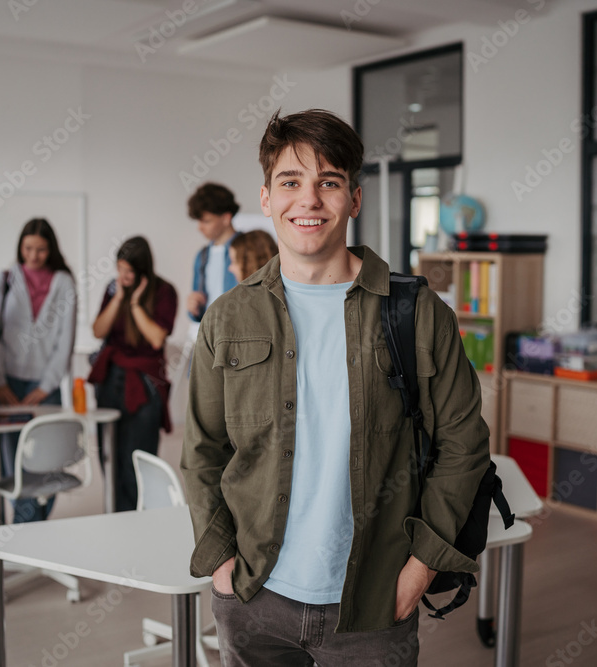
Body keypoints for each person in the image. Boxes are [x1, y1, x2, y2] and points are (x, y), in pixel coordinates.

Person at [181, 109, 490, 666]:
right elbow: (203, 450)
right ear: (267, 198)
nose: (309, 199)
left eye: (328, 182)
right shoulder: (227, 318)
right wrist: (223, 564)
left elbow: (463, 446)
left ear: (354, 198)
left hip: (374, 602)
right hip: (253, 597)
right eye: (290, 182)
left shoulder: (419, 314)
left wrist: (419, 572)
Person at [0, 218, 77, 523]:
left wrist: (46, 386)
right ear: (20, 247)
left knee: (49, 463)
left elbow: (65, 340)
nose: (33, 256)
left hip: (46, 389)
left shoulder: (64, 283)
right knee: (15, 467)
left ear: (52, 250)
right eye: (28, 248)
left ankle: (31, 526)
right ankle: (26, 529)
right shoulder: (5, 279)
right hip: (7, 385)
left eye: (41, 249)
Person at [89, 237, 177, 511]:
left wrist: (136, 303)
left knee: (137, 460)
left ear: (142, 270)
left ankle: (138, 517)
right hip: (111, 380)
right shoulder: (113, 289)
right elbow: (98, 330)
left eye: (129, 271)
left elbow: (156, 338)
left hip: (144, 384)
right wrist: (118, 298)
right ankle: (116, 516)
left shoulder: (164, 291)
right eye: (119, 269)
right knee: (110, 459)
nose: (123, 276)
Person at [186, 182, 239, 321]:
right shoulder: (202, 256)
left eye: (206, 221)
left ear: (226, 218)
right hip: (211, 329)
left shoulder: (247, 248)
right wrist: (194, 307)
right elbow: (197, 310)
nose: (199, 228)